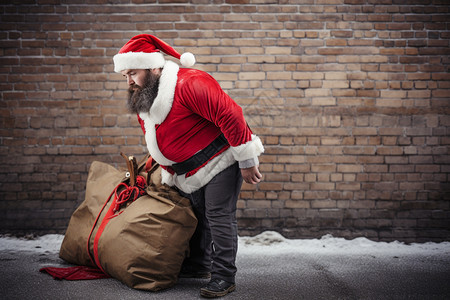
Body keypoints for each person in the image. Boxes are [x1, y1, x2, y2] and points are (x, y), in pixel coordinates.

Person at [113, 34, 264, 298]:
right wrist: (158, 162)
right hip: (186, 171)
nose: (129, 81)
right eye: (125, 75)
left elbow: (231, 114)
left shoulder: (190, 83)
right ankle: (199, 266)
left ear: (154, 67)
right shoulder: (145, 95)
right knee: (196, 217)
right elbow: (159, 135)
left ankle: (223, 277)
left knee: (218, 216)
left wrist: (247, 161)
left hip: (222, 159)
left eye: (133, 73)